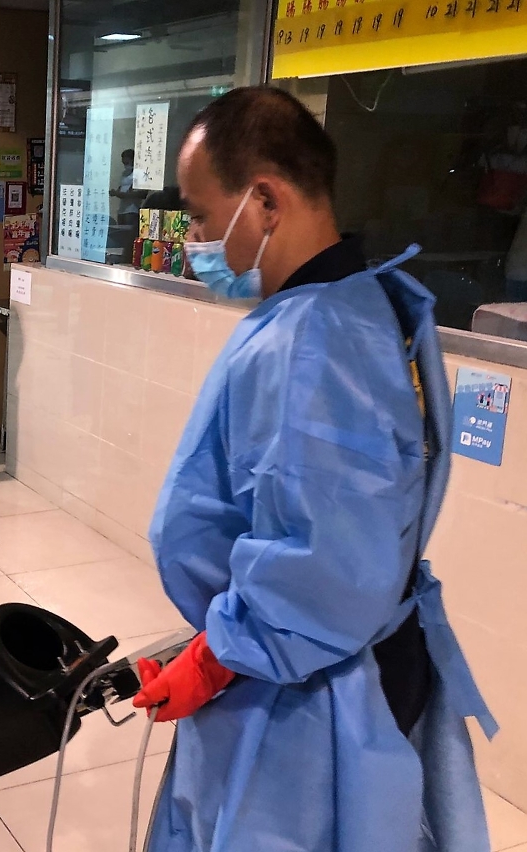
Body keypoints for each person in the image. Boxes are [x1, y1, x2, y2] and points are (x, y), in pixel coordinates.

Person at [132, 87, 497, 852]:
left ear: (265, 201)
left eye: (200, 215)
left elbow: (321, 563)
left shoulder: (314, 339)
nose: (194, 240)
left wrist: (220, 654)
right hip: (304, 651)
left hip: (305, 683)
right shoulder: (357, 301)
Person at [110, 148, 145, 226]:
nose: (125, 165)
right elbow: (121, 189)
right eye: (124, 163)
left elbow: (142, 194)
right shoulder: (125, 173)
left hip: (132, 211)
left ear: (133, 160)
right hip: (122, 210)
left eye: (127, 163)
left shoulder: (139, 173)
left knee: (129, 232)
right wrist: (115, 192)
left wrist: (124, 195)